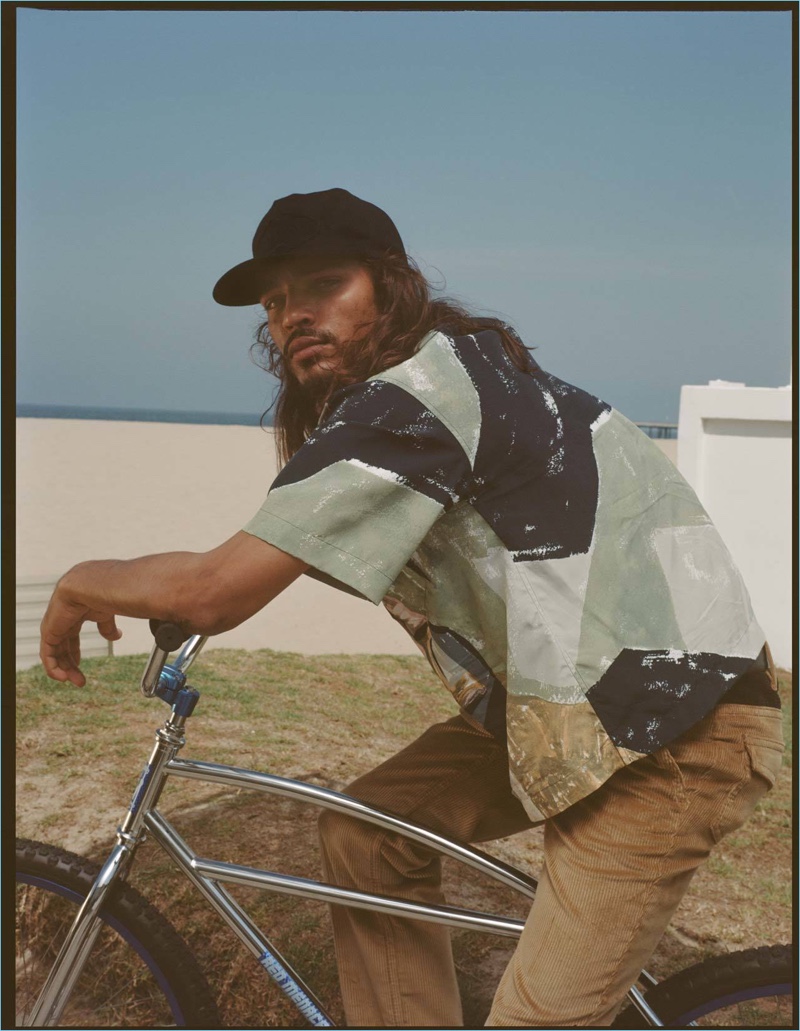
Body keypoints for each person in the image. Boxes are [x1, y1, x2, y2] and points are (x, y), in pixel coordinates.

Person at [40, 187, 784, 1027]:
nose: (293, 317)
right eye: (278, 303)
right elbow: (298, 553)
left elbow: (219, 589)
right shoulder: (441, 378)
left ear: (390, 285)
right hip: (567, 705)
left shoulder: (416, 398)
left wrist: (79, 581)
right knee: (368, 838)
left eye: (323, 285)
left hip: (668, 728)